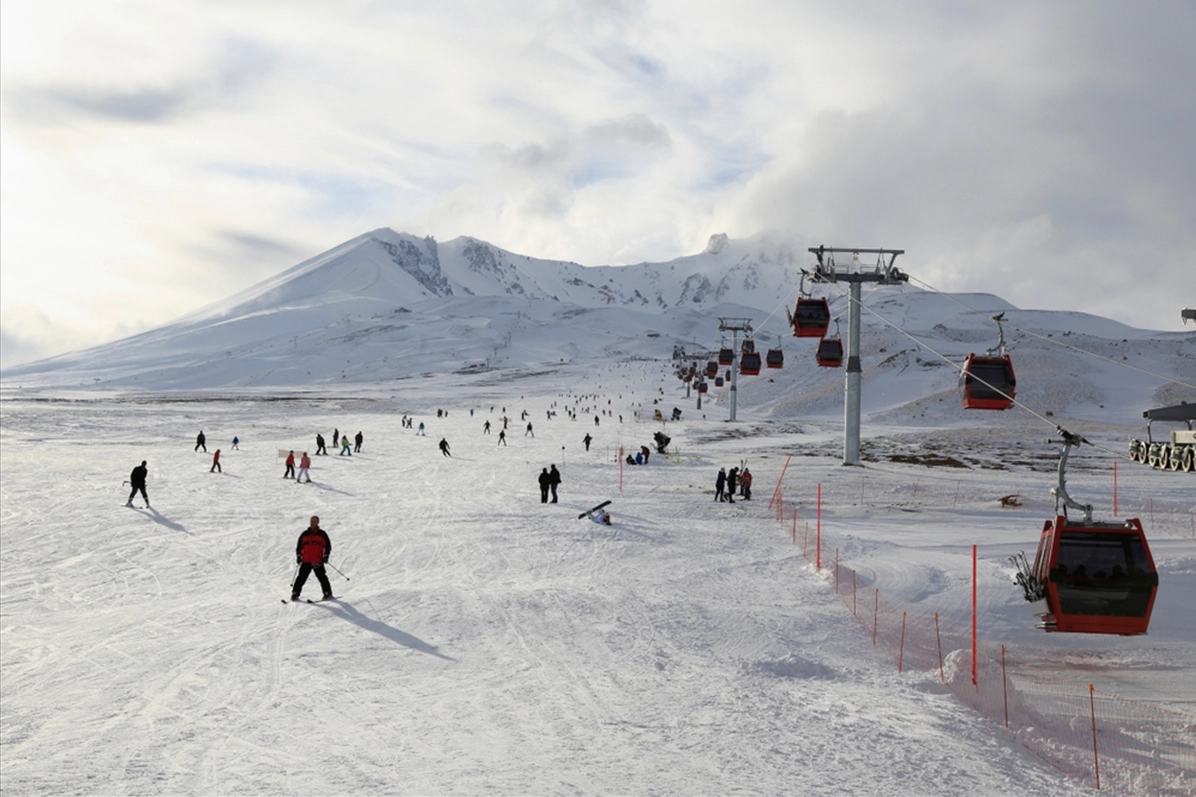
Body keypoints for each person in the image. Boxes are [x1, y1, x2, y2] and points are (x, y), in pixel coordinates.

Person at [292, 516, 333, 601]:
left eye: (315, 521)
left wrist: (326, 556)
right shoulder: (304, 534)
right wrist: (299, 556)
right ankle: (295, 593)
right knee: (301, 577)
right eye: (312, 521)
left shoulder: (322, 534)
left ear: (318, 523)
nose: (313, 522)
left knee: (322, 577)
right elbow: (299, 547)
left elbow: (328, 546)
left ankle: (327, 593)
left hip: (317, 560)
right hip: (306, 560)